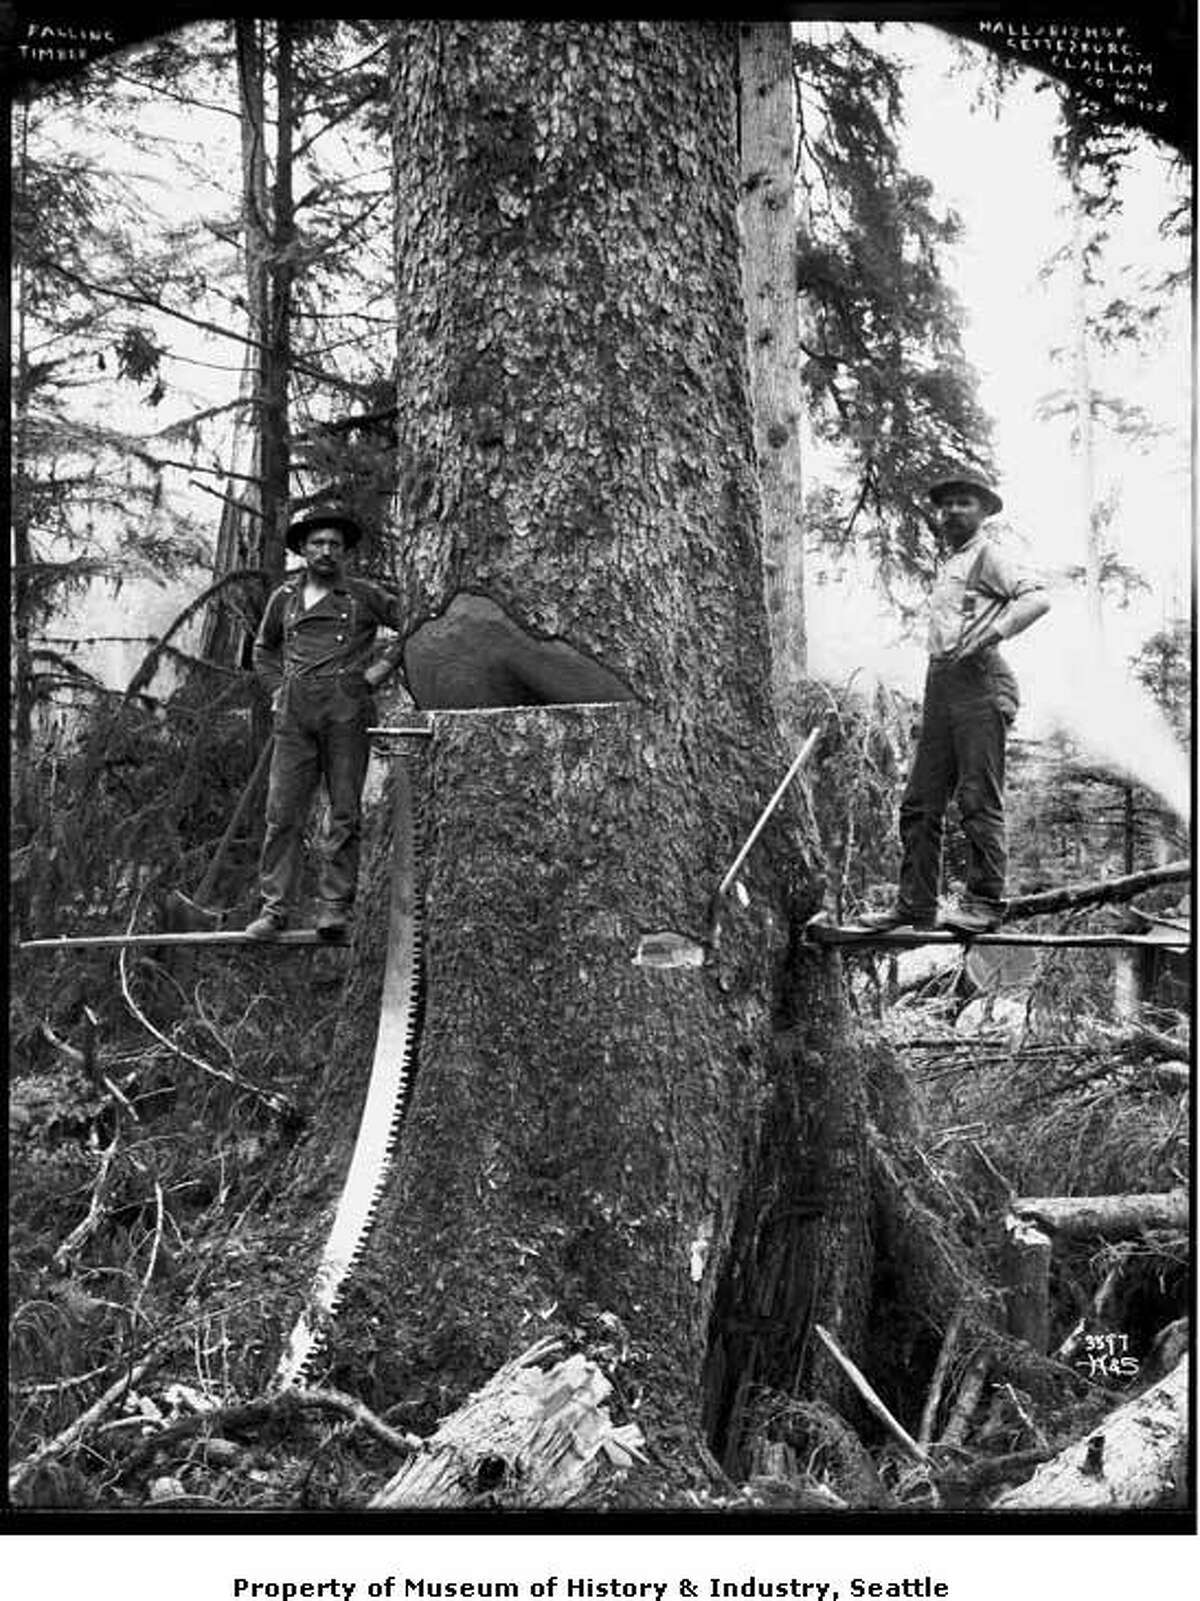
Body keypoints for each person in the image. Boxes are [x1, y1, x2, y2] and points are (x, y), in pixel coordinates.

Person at [857, 475, 1050, 937]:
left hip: (980, 681)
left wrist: (992, 634)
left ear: (983, 512)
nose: (953, 512)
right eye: (946, 507)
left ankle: (984, 903)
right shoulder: (950, 564)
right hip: (941, 683)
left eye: (964, 504)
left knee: (978, 797)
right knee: (920, 802)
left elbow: (1037, 598)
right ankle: (914, 906)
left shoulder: (989, 556)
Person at [246, 509, 407, 942]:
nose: (326, 551)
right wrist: (278, 690)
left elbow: (414, 625)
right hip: (294, 713)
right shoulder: (284, 596)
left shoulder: (362, 595)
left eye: (335, 544)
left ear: (345, 552)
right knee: (282, 813)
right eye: (317, 543)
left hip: (346, 710)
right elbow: (263, 650)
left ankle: (334, 907)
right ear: (302, 549)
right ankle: (274, 909)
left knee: (344, 811)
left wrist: (379, 671)